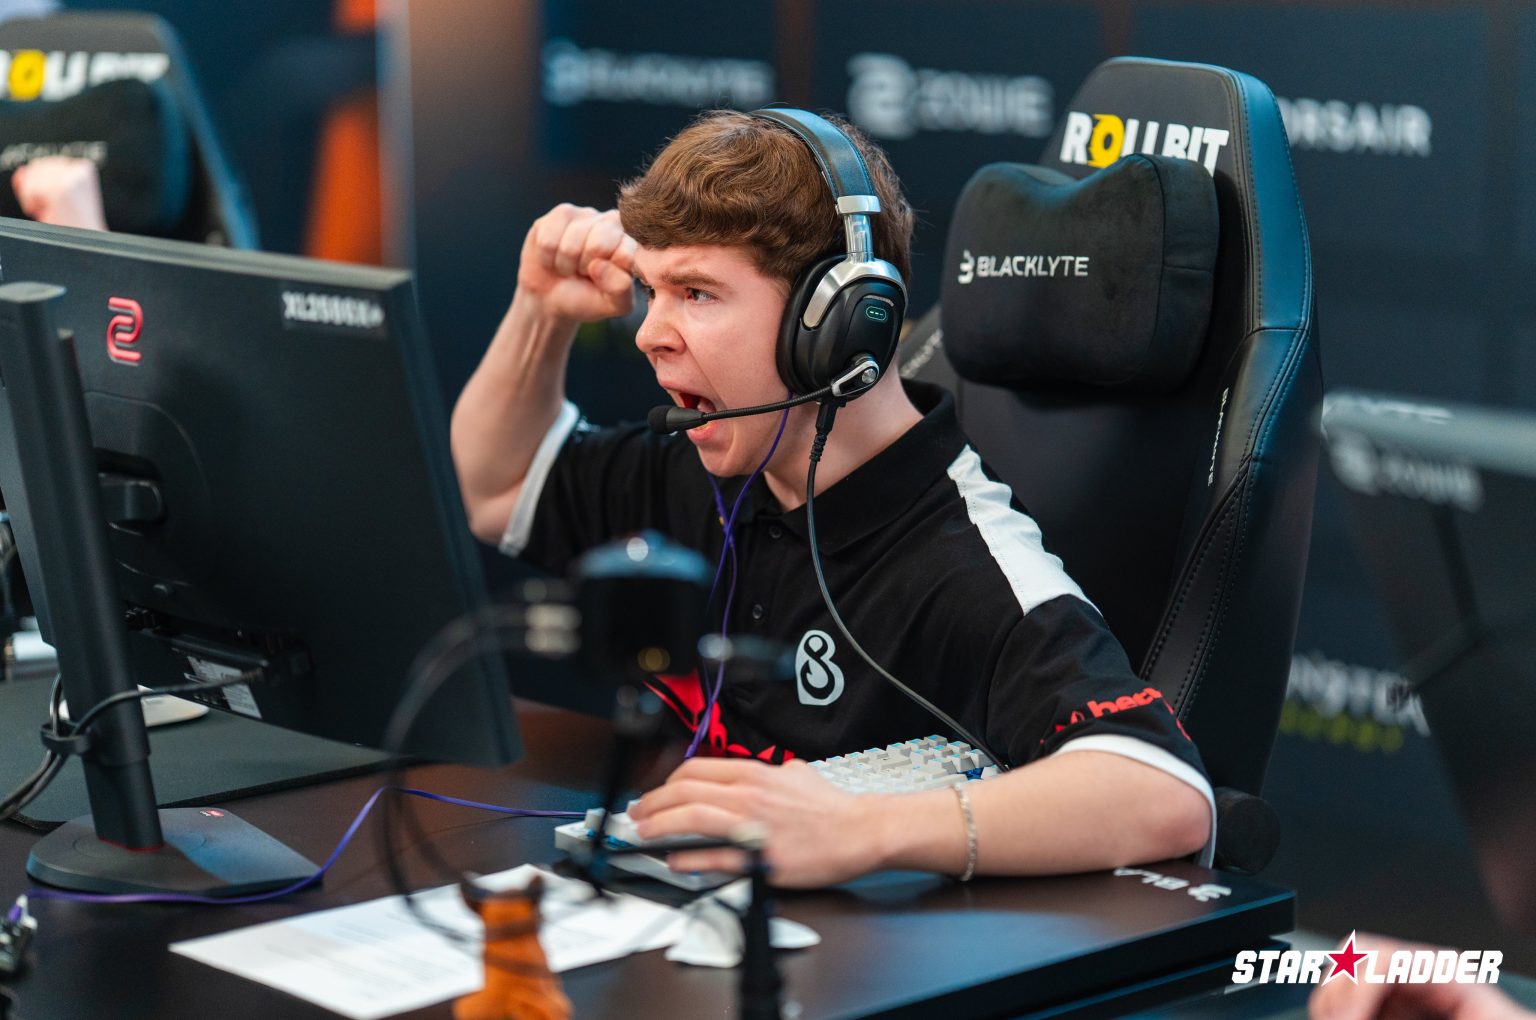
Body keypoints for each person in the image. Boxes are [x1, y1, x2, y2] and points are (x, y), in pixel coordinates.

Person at [451, 108, 1212, 887]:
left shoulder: (964, 562)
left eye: (696, 292)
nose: (651, 333)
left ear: (840, 324)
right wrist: (539, 310)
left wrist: (865, 828)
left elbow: (1164, 792)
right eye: (652, 290)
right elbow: (499, 487)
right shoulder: (705, 461)